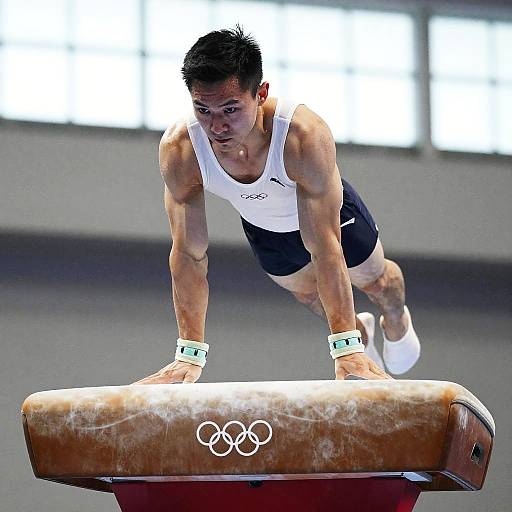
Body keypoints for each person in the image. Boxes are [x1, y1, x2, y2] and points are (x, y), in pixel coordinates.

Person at [135, 26, 420, 385]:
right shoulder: (182, 150)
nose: (217, 125)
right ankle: (357, 333)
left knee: (376, 282)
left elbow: (325, 248)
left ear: (261, 93)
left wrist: (343, 349)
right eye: (202, 109)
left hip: (331, 222)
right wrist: (188, 355)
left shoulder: (301, 136)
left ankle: (395, 320)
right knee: (309, 294)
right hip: (265, 228)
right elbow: (189, 254)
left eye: (230, 108)